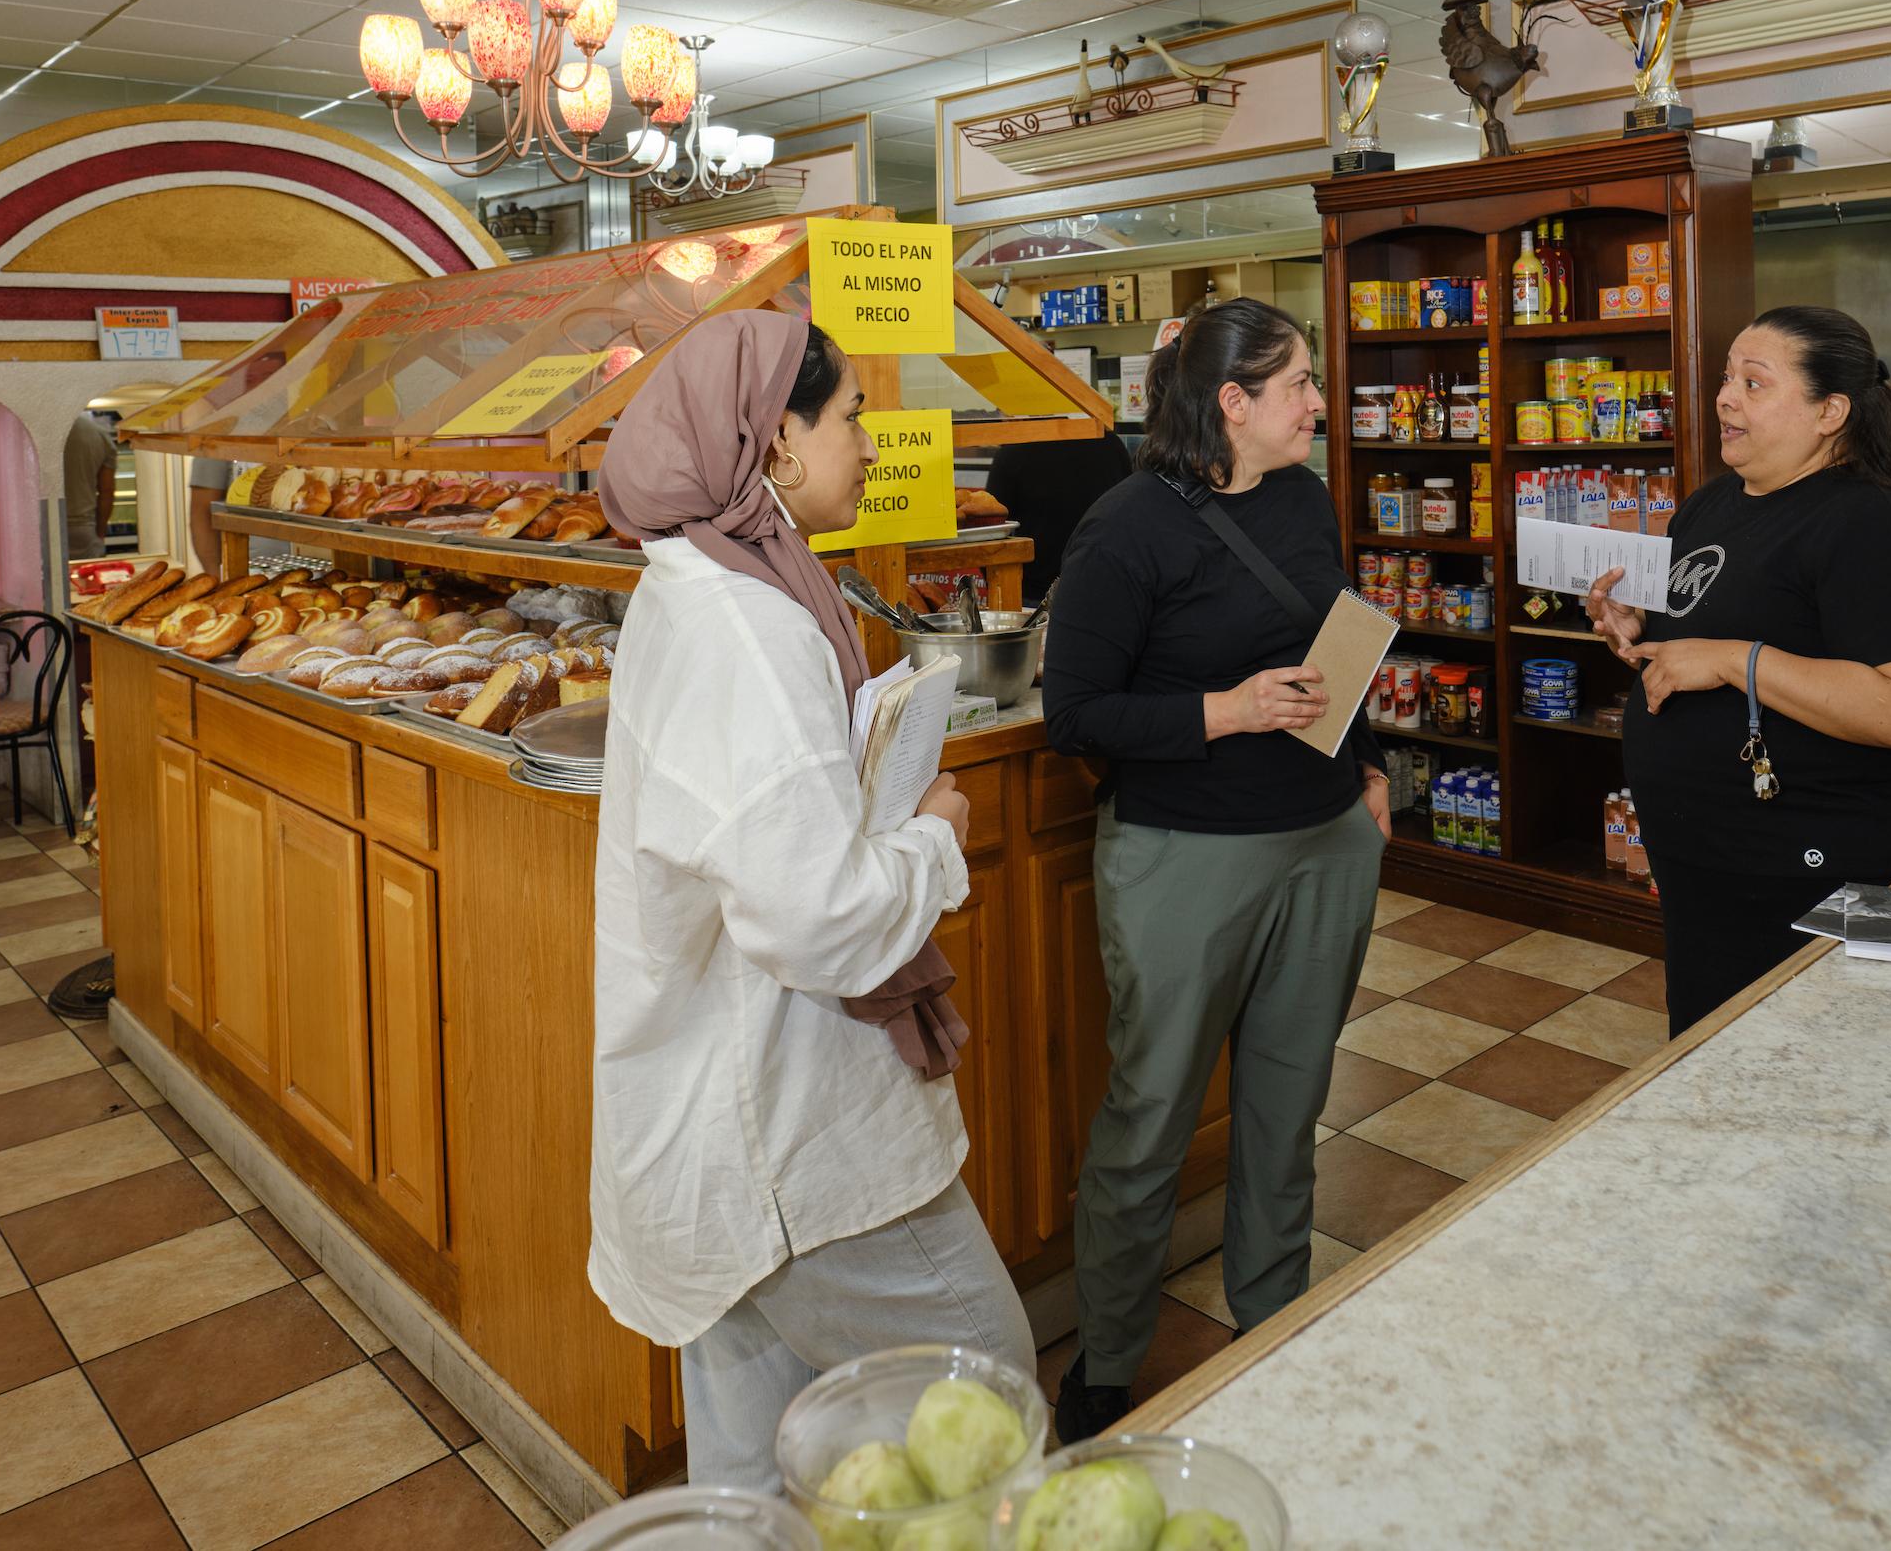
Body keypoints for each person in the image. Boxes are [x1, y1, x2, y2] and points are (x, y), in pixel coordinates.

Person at [585, 310, 1029, 1490]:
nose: (872, 444)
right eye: (854, 417)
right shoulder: (747, 625)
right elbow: (818, 919)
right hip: (788, 1137)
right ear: (777, 438)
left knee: (763, 1475)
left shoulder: (706, 585)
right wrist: (936, 836)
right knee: (987, 1397)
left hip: (727, 1127)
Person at [1041, 298, 1388, 1439]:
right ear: (1231, 403)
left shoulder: (1304, 496)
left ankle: (1273, 1319)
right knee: (1150, 1115)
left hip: (1323, 839)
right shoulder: (1126, 527)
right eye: (1297, 385)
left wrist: (1369, 767)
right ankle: (1107, 1360)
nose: (1318, 404)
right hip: (1185, 852)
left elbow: (1329, 635)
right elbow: (1077, 713)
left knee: (1287, 1109)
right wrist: (1227, 712)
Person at [1586, 305, 1891, 1035]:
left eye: (1754, 382)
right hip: (1714, 875)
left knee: (1830, 1080)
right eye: (1725, 380)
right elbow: (1705, 632)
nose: (1724, 398)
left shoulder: (1877, 528)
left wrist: (1732, 660)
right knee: (1718, 1055)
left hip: (1822, 872)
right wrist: (1636, 628)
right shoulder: (1711, 505)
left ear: (1830, 411)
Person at [984, 423, 1131, 601]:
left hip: (1034, 596)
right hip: (1104, 586)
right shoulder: (1111, 446)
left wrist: (1001, 587)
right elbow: (1129, 518)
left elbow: (988, 531)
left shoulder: (1014, 451)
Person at [63, 410, 119, 562]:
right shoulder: (99, 434)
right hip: (83, 528)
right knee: (84, 582)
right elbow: (107, 492)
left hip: (39, 527)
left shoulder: (36, 428)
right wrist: (100, 534)